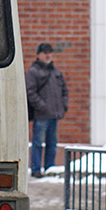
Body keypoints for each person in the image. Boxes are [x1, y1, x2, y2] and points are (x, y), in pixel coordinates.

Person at [26, 42, 68, 178]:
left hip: (54, 115)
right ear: (39, 55)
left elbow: (64, 91)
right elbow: (30, 92)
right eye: (45, 53)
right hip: (41, 115)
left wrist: (63, 106)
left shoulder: (56, 72)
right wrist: (42, 106)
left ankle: (50, 169)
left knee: (52, 143)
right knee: (37, 143)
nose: (48, 55)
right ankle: (36, 169)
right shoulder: (33, 72)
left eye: (50, 52)